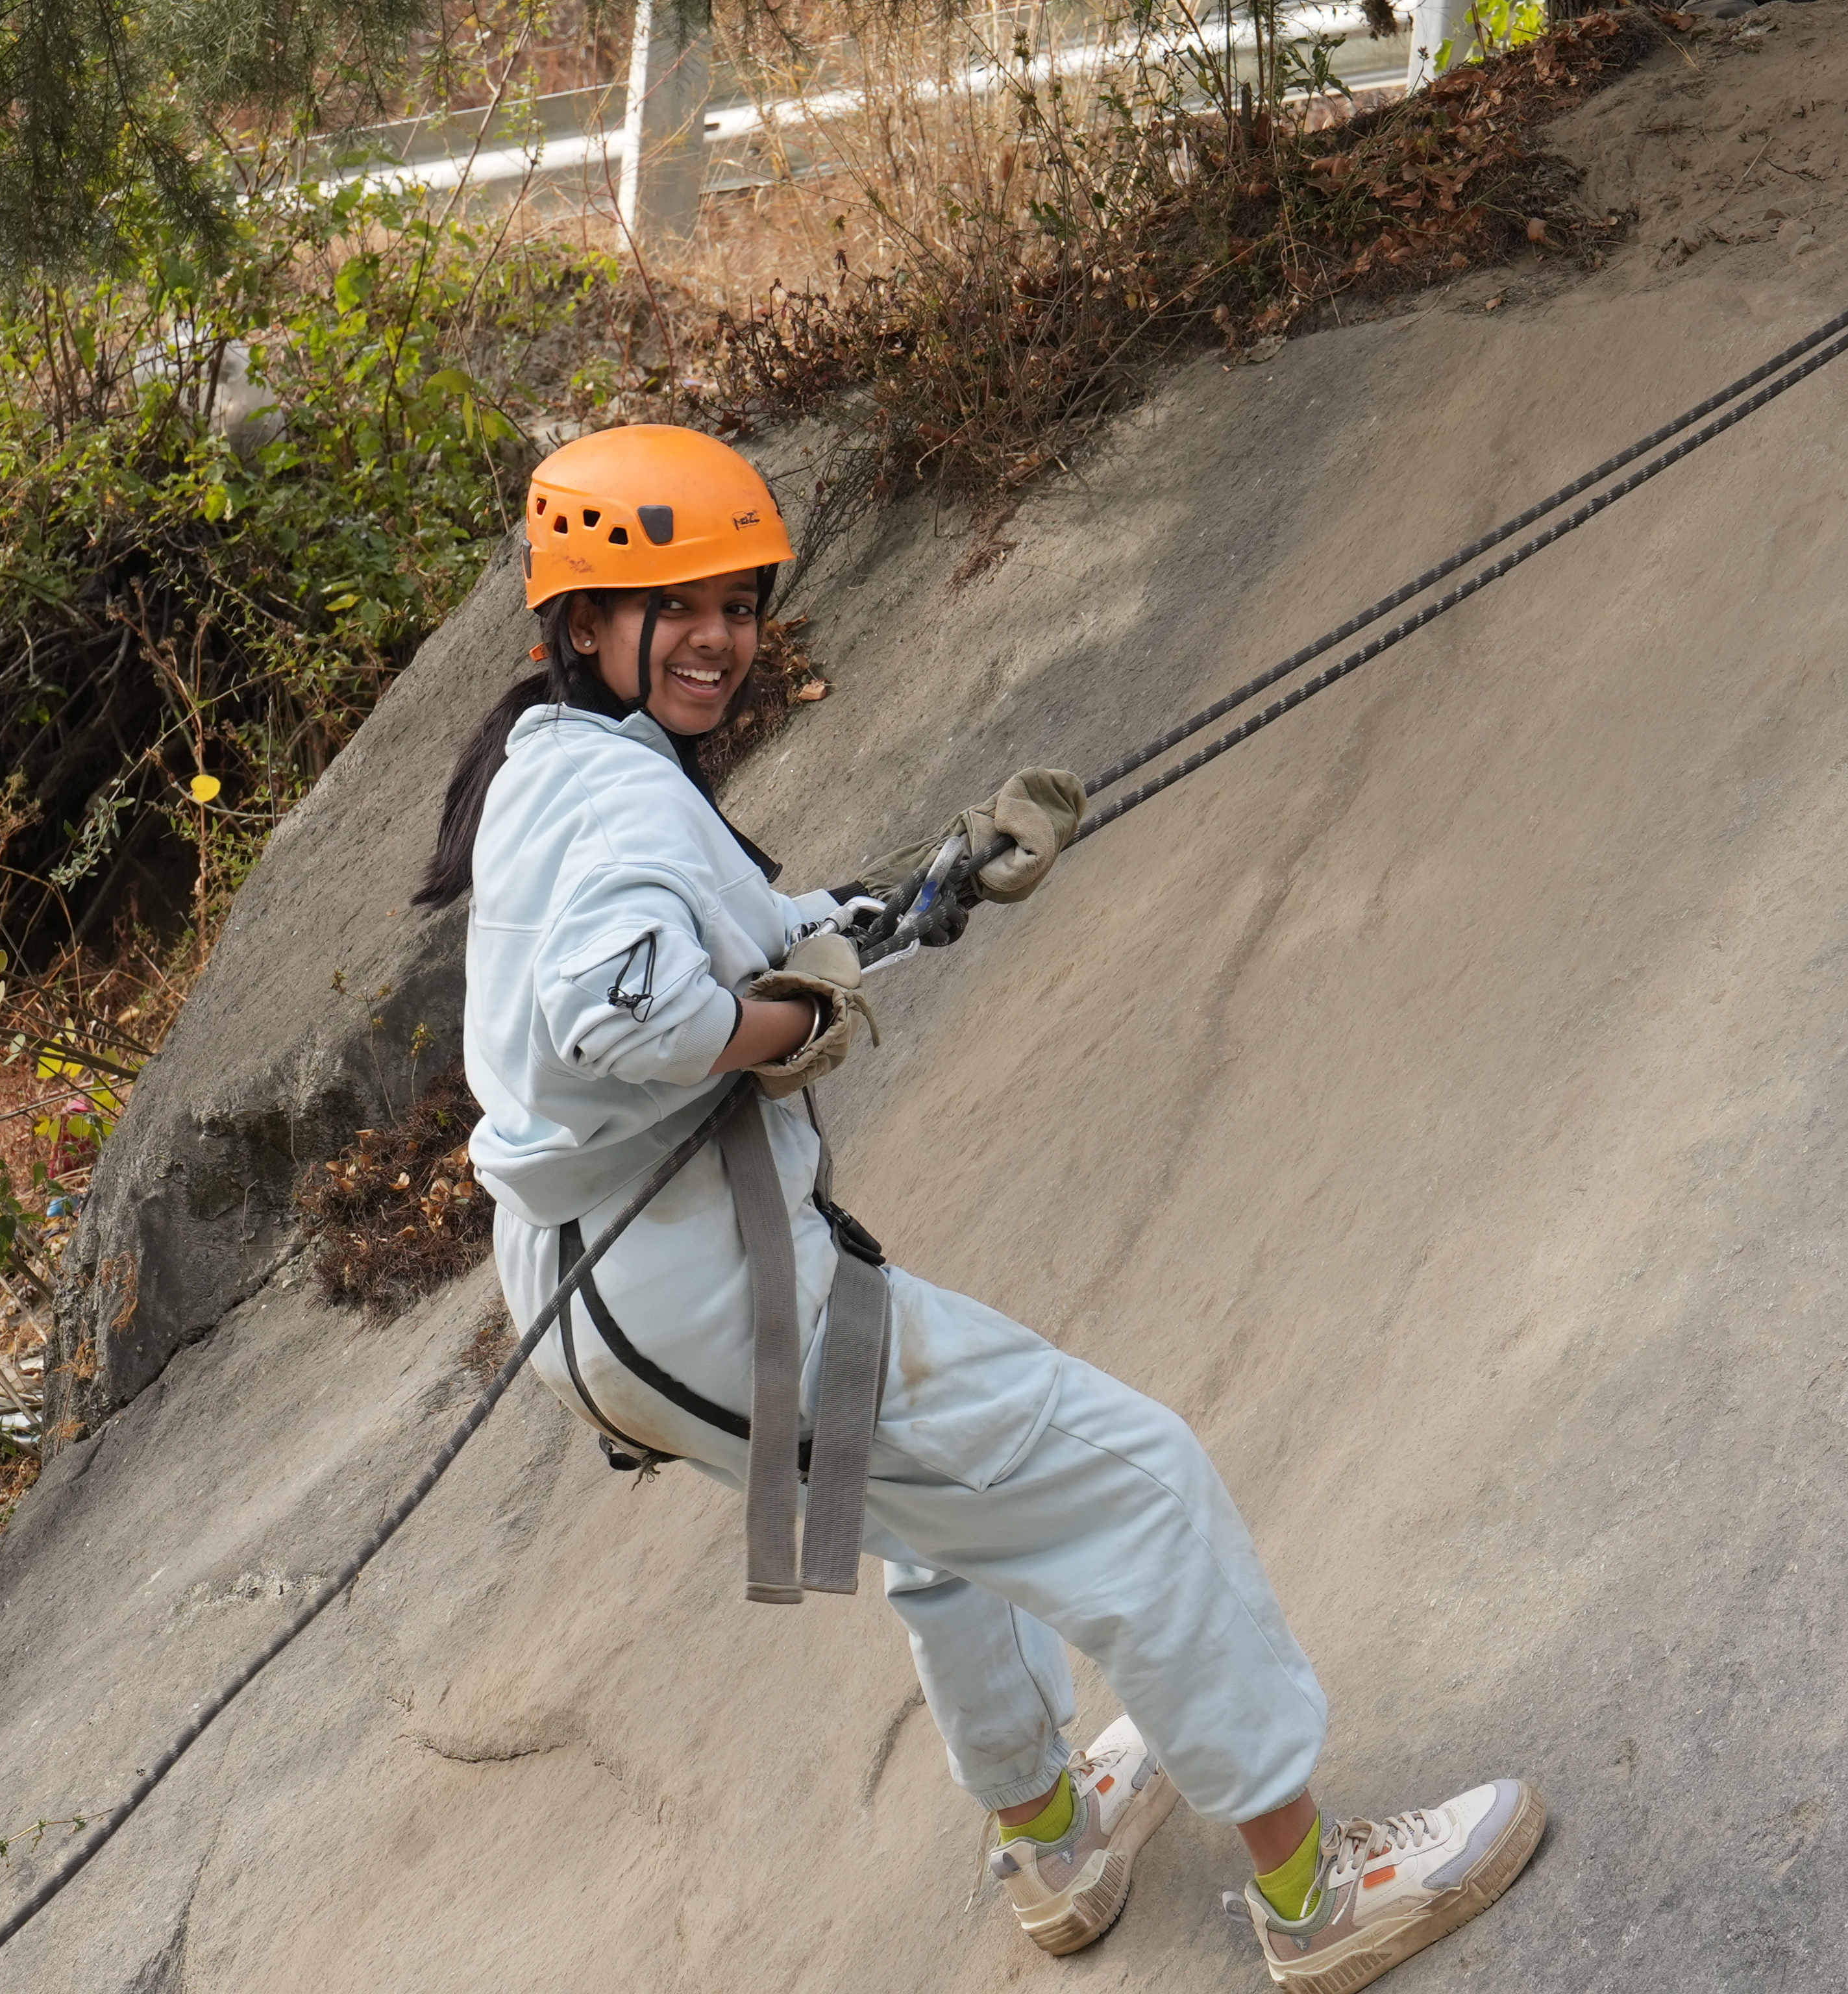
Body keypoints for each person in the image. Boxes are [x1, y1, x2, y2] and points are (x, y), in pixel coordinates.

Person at [417, 423, 1544, 1989]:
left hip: (621, 1281)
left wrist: (901, 905)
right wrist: (791, 1029)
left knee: (931, 1516)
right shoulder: (609, 801)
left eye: (737, 605)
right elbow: (639, 1017)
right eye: (673, 605)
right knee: (1136, 1483)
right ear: (581, 624)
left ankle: (1048, 1838)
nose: (717, 639)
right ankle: (1315, 1900)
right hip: (700, 1284)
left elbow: (707, 950)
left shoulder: (563, 763)